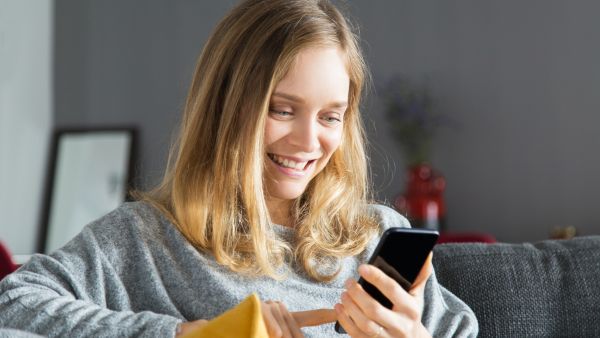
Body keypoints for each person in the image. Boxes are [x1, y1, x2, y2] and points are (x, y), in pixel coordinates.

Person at [0, 0, 478, 337]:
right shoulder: (146, 240)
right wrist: (187, 335)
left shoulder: (375, 234)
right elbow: (14, 303)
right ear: (226, 108)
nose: (309, 142)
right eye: (282, 110)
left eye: (330, 116)